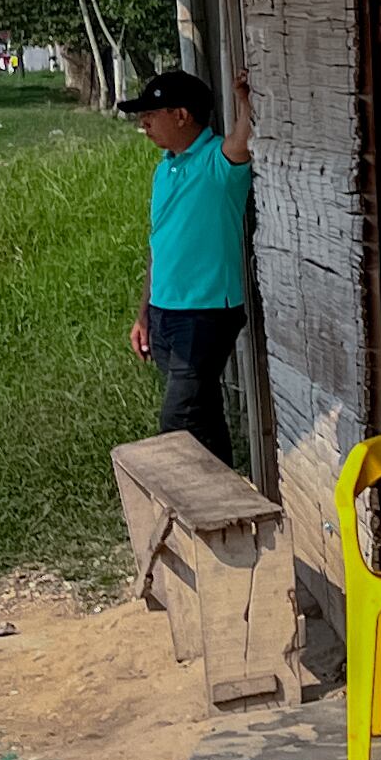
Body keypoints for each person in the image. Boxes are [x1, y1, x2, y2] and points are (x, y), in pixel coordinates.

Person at [122, 65, 253, 468]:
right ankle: (227, 505)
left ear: (182, 116)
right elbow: (157, 244)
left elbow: (245, 137)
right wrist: (144, 312)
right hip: (166, 313)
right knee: (203, 417)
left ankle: (186, 502)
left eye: (151, 114)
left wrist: (246, 99)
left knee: (177, 420)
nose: (143, 123)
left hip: (207, 314)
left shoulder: (218, 163)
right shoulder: (165, 169)